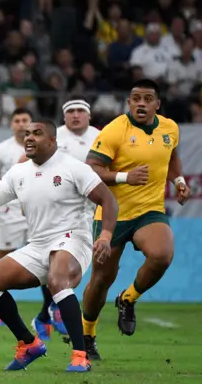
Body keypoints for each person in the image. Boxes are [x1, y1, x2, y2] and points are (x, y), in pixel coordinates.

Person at [0, 119, 119, 373]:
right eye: (27, 133)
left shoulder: (74, 168)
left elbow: (108, 200)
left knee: (58, 278)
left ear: (53, 141)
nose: (29, 137)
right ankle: (29, 343)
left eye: (37, 134)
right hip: (39, 244)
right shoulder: (19, 172)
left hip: (74, 239)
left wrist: (105, 235)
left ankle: (80, 355)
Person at [81, 79, 190, 360]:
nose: (141, 103)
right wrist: (123, 177)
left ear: (157, 104)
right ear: (129, 103)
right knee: (101, 280)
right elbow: (91, 168)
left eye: (147, 98)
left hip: (149, 211)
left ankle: (128, 299)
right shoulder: (116, 129)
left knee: (162, 255)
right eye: (135, 98)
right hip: (112, 214)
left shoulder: (170, 128)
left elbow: (172, 155)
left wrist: (177, 180)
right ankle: (87, 336)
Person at [30, 99, 101, 340]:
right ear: (64, 116)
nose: (76, 115)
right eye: (70, 111)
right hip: (55, 208)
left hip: (91, 207)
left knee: (75, 267)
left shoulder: (100, 137)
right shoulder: (52, 137)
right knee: (54, 259)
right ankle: (55, 309)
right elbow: (27, 164)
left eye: (81, 110)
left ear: (89, 116)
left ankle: (45, 314)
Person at [0, 108, 35, 328]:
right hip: (7, 211)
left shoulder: (43, 148)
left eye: (25, 120)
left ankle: (51, 310)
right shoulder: (0, 149)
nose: (21, 124)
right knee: (3, 261)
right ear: (11, 124)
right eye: (17, 120)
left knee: (46, 257)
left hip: (34, 211)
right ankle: (0, 309)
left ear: (32, 123)